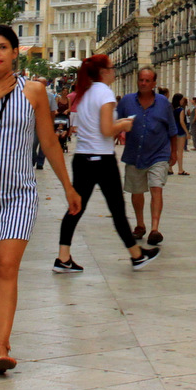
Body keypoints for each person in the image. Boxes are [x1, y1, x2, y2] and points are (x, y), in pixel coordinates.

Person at [0, 25, 79, 376]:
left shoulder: (35, 91)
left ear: (15, 52)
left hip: (20, 194)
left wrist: (68, 187)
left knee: (5, 266)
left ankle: (2, 346)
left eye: (3, 47)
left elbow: (49, 141)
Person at [54, 55, 160, 273]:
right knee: (117, 209)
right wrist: (123, 124)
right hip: (101, 159)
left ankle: (63, 256)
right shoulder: (104, 93)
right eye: (112, 68)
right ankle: (136, 255)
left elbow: (93, 125)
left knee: (76, 207)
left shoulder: (85, 93)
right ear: (103, 71)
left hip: (82, 157)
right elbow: (106, 129)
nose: (115, 71)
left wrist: (116, 123)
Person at [119, 68, 182, 246]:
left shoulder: (163, 103)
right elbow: (115, 123)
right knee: (137, 191)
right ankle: (140, 224)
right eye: (141, 80)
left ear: (154, 83)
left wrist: (173, 152)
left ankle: (155, 229)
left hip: (158, 153)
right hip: (134, 153)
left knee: (156, 188)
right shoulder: (126, 101)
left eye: (148, 81)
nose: (144, 83)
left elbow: (172, 129)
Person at [168, 92, 190, 175]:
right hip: (180, 131)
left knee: (172, 150)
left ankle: (170, 168)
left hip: (172, 131)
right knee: (180, 151)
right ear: (179, 100)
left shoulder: (171, 109)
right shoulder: (181, 110)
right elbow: (182, 122)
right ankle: (180, 169)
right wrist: (187, 132)